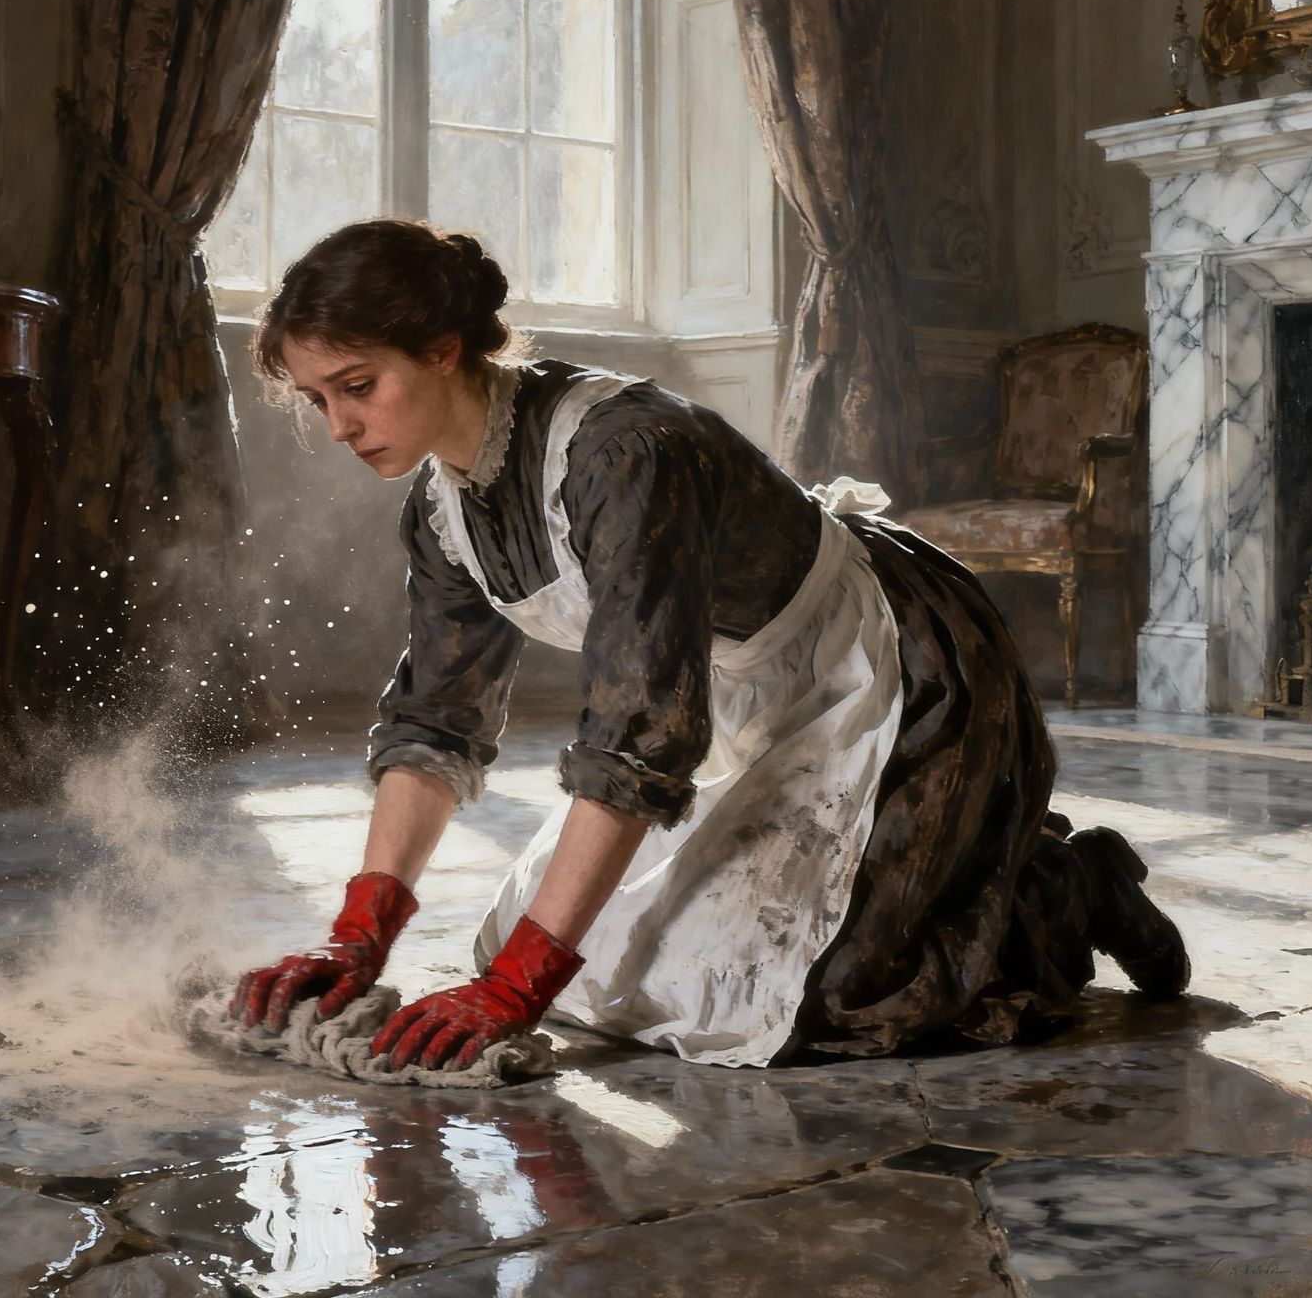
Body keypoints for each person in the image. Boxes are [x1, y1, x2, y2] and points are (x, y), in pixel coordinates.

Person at [229, 219, 1189, 1073]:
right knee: (607, 977)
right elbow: (439, 718)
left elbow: (643, 732)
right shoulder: (442, 510)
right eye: (317, 400)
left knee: (837, 996)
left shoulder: (625, 454)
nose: (339, 427)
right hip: (731, 697)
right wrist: (360, 934)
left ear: (443, 349)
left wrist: (519, 986)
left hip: (878, 661)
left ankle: (1071, 887)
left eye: (357, 388)